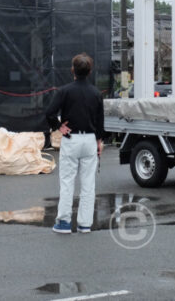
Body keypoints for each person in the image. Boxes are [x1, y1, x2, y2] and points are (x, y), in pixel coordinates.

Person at [45, 53, 104, 234]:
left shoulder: (65, 91)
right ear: (90, 71)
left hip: (71, 139)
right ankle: (84, 224)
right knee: (88, 184)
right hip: (90, 140)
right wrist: (99, 142)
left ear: (73, 70)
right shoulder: (96, 93)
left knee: (67, 181)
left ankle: (63, 223)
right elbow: (100, 121)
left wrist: (59, 127)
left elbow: (49, 113)